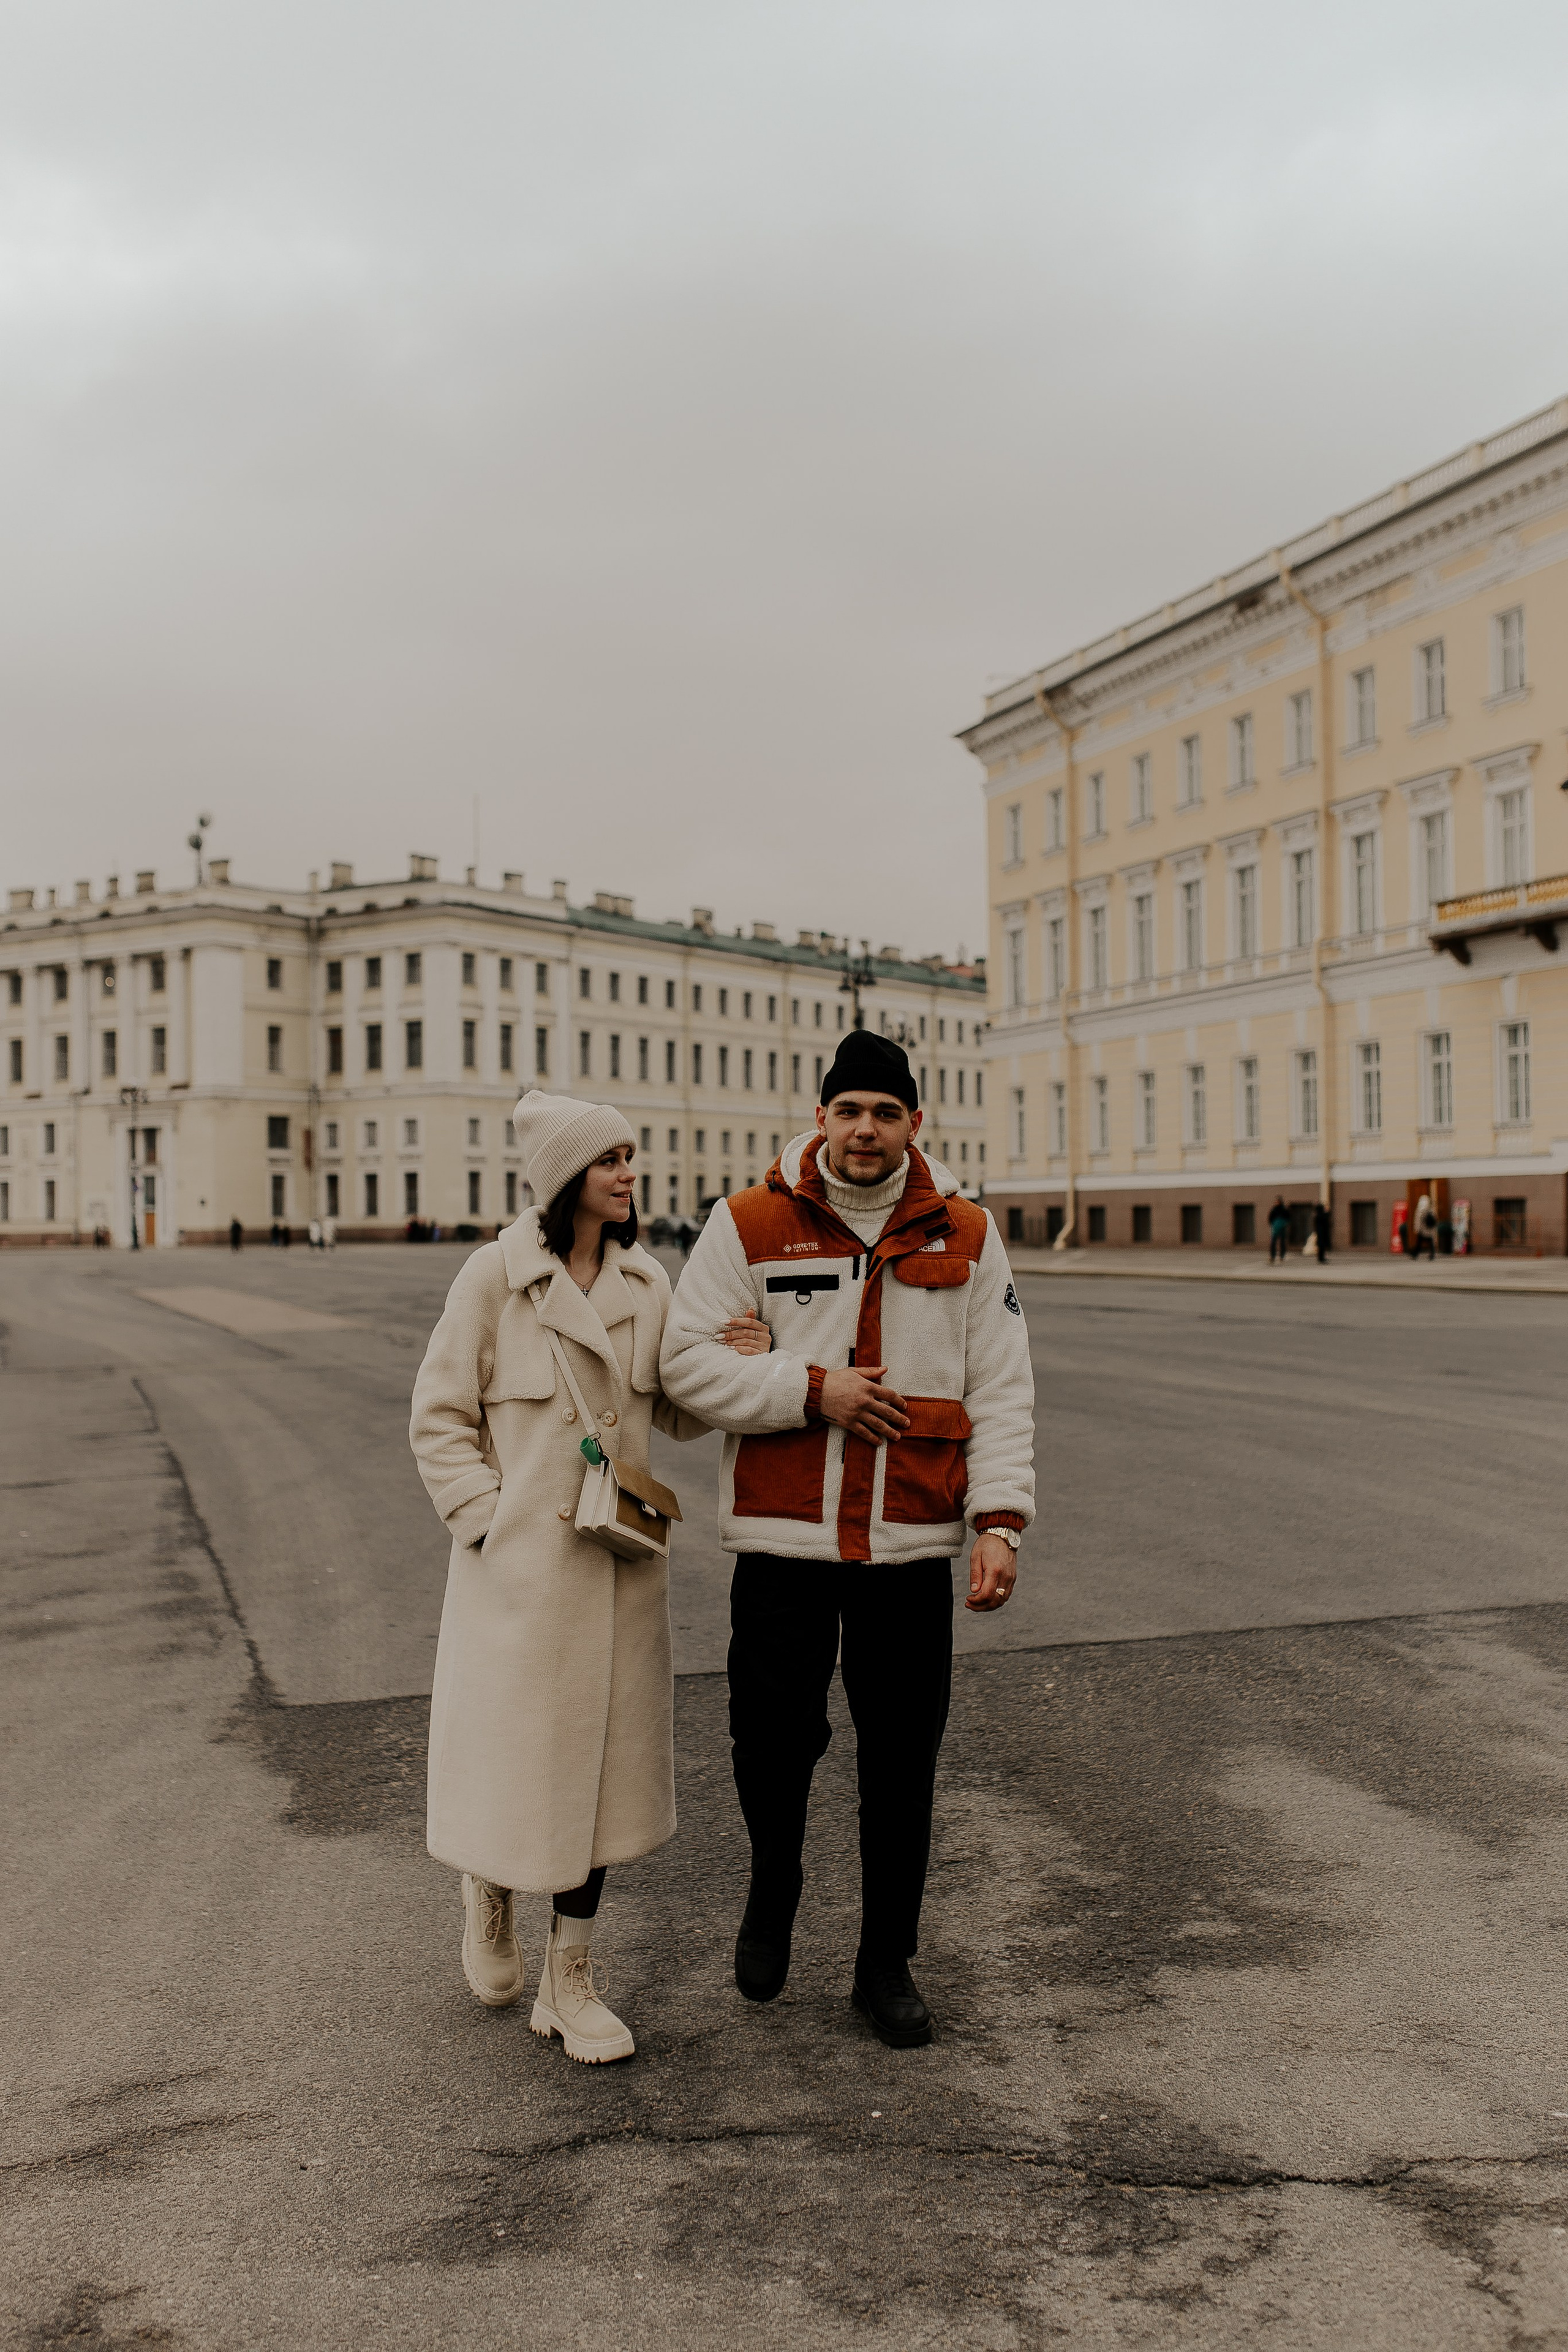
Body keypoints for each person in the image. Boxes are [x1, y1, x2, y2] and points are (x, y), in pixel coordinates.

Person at [660, 1031, 1036, 2049]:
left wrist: (999, 1520)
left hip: (910, 1546)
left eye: (884, 1111)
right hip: (782, 1542)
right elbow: (683, 1365)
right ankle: (773, 1877)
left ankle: (885, 1963)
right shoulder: (747, 1224)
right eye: (847, 1110)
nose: (863, 1130)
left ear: (916, 1123)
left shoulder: (965, 1232)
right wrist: (807, 1387)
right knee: (770, 1740)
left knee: (903, 1759)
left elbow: (1001, 1389)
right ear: (819, 1118)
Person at [409, 1091, 707, 2065]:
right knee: (511, 1760)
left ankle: (569, 1980)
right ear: (567, 1178)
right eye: (613, 1159)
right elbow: (440, 1417)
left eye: (632, 1156)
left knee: (604, 1779)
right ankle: (487, 1891)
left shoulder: (646, 1283)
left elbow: (678, 1410)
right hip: (518, 1578)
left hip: (619, 1570)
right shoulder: (494, 1279)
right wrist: (485, 1525)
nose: (631, 1173)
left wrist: (740, 1356)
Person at [1411, 1193, 1438, 1261]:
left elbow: (1418, 1220)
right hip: (1430, 1229)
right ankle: (1432, 1255)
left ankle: (1415, 1254)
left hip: (1423, 1230)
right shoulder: (1431, 1209)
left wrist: (1417, 1228)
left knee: (1419, 1242)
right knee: (1430, 1242)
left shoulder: (1420, 1210)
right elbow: (1435, 1218)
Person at [1267, 1197, 1289, 1265]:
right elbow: (1270, 1218)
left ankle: (1282, 1256)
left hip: (1282, 1229)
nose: (1277, 1203)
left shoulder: (1284, 1210)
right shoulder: (1274, 1210)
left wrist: (1284, 1224)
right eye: (1276, 1202)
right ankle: (1273, 1256)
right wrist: (1273, 1225)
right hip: (1275, 1228)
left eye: (1278, 1202)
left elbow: (1288, 1218)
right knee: (1273, 1242)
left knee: (1282, 1243)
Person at [1312, 1200, 1332, 1265]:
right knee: (1321, 1246)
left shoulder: (1318, 1215)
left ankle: (1322, 1258)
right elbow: (1326, 1217)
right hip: (1322, 1233)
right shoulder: (1320, 1216)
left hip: (1322, 1233)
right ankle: (1321, 1258)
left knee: (1322, 1246)